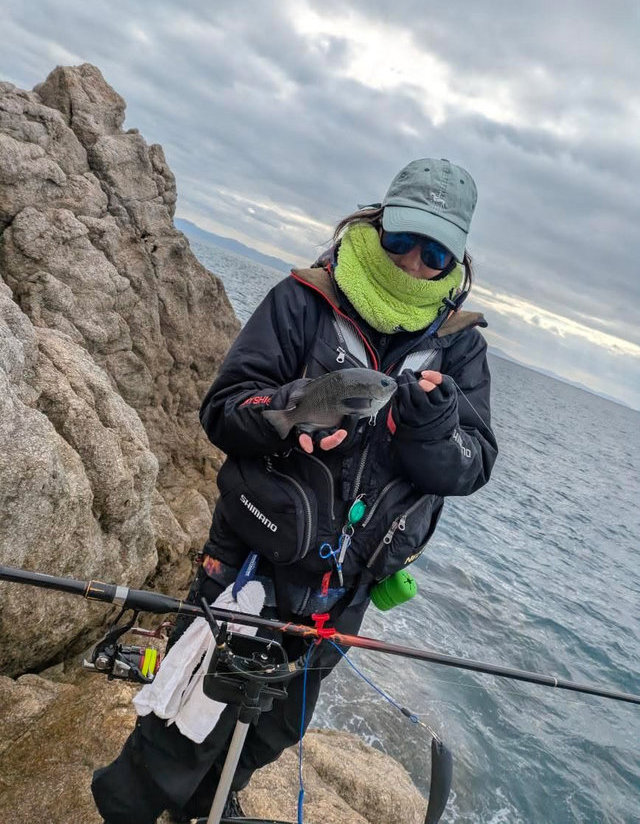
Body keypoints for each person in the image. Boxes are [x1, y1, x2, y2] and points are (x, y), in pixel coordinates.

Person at [92, 157, 498, 822]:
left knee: (276, 726)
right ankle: (125, 809)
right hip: (250, 564)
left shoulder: (461, 349)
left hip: (346, 590)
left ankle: (206, 806)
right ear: (378, 224)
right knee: (184, 714)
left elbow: (471, 466)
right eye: (402, 239)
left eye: (434, 253)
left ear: (455, 261)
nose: (412, 262)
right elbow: (223, 410)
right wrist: (291, 413)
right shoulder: (303, 300)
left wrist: (433, 430)